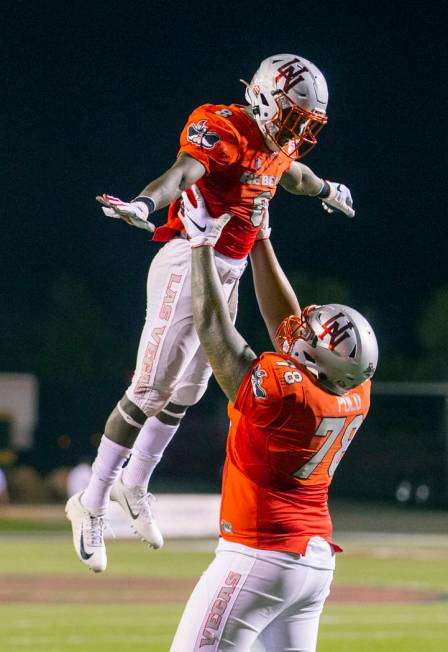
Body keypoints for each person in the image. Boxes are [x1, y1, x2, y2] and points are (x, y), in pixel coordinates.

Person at [66, 54, 356, 573]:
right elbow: (182, 174)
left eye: (303, 123)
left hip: (230, 271)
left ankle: (136, 484)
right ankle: (91, 500)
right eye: (292, 117)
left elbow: (294, 175)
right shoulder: (224, 127)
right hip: (187, 258)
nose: (296, 131)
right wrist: (143, 203)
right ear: (266, 98)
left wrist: (328, 190)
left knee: (188, 392)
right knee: (150, 389)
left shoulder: (275, 142)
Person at [169, 187, 378, 651]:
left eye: (310, 334)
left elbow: (213, 330)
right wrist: (261, 238)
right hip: (312, 563)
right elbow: (287, 326)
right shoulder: (354, 388)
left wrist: (202, 243)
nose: (300, 329)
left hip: (258, 556)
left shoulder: (287, 392)